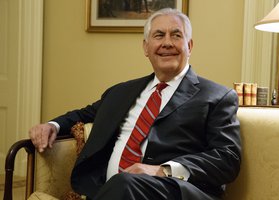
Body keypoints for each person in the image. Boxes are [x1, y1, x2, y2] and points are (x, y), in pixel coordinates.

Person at [29, 8, 241, 200]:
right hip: (109, 189)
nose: (167, 42)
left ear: (190, 45)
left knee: (124, 183)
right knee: (120, 185)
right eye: (159, 35)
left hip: (176, 192)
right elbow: (83, 115)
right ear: (146, 47)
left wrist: (162, 170)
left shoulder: (217, 96)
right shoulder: (121, 92)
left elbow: (227, 158)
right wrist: (51, 126)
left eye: (176, 35)